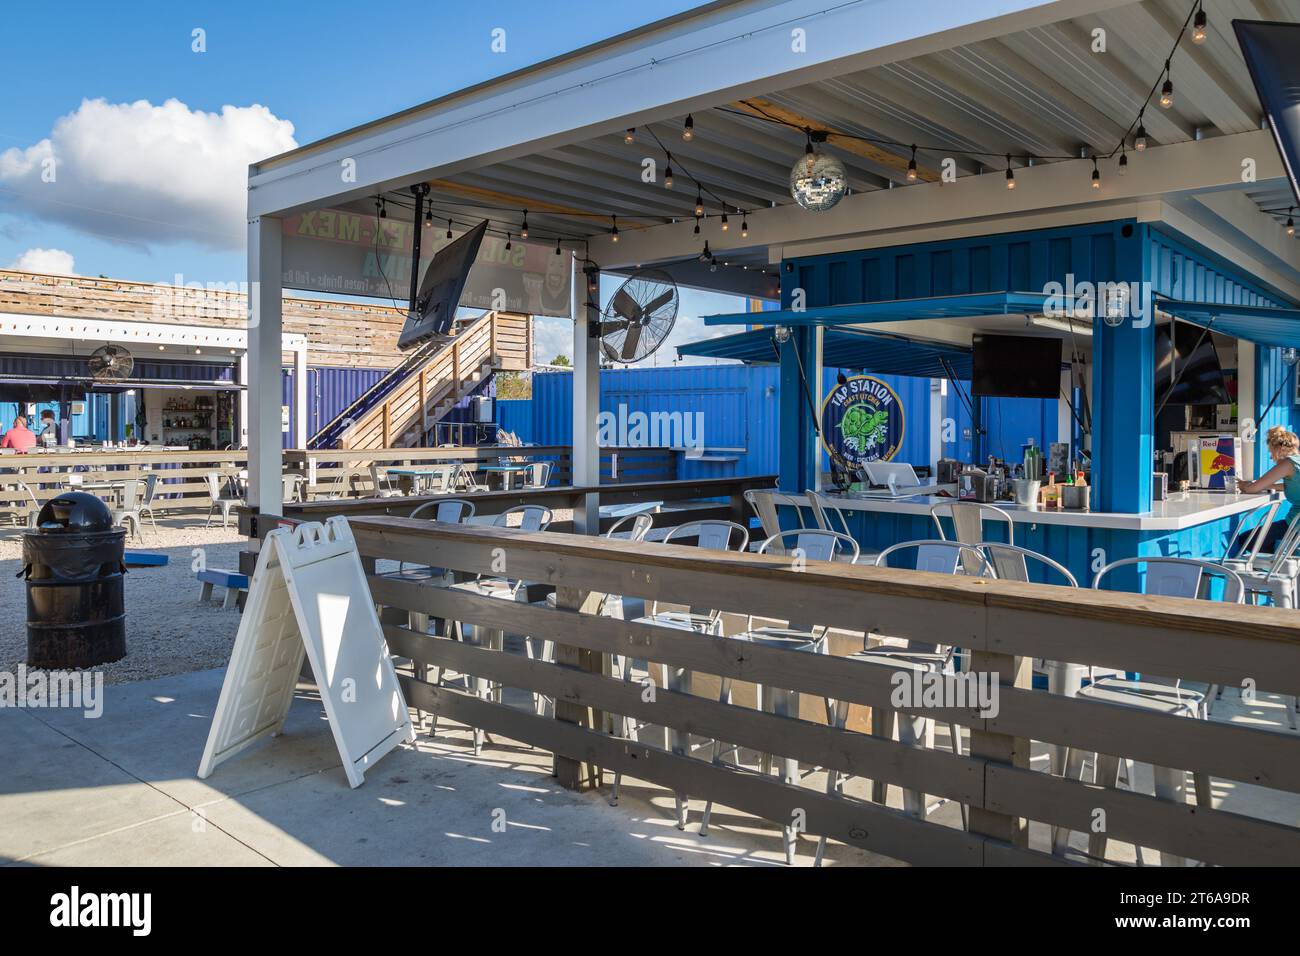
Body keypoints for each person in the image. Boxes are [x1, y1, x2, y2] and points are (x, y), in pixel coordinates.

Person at [1236, 425, 1300, 554]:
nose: (1272, 458)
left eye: (1271, 453)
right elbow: (1291, 486)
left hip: (1295, 527)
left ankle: (1287, 558)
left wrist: (1243, 485)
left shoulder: (1287, 464)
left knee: (1246, 539)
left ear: (1278, 449)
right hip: (1296, 527)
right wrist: (1268, 485)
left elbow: (1251, 489)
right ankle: (1287, 560)